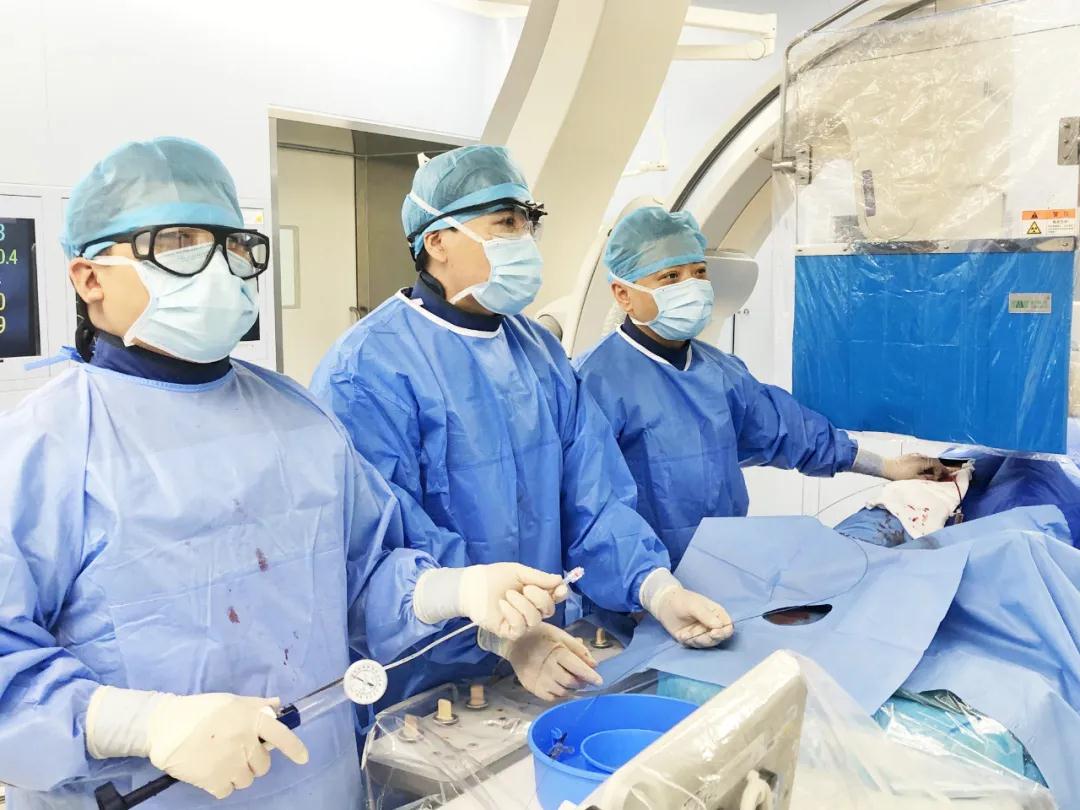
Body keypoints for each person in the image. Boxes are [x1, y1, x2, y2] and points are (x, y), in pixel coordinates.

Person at [0, 138, 581, 810]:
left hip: (321, 783)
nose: (218, 267)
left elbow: (365, 572)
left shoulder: (296, 416)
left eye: (232, 244)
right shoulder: (45, 446)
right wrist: (142, 723)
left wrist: (457, 592)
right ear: (89, 278)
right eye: (179, 242)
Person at [311, 146, 734, 704]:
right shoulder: (366, 369)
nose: (524, 240)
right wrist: (501, 635)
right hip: (424, 674)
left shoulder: (539, 353)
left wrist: (657, 589)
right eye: (505, 223)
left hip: (550, 651)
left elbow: (593, 499)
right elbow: (380, 551)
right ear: (437, 241)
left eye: (528, 223)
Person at [573, 206, 952, 567]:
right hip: (635, 584)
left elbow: (790, 432)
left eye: (699, 272)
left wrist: (885, 465)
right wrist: (650, 590)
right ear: (623, 294)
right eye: (670, 277)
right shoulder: (593, 382)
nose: (691, 286)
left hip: (717, 565)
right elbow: (589, 508)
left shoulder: (720, 372)